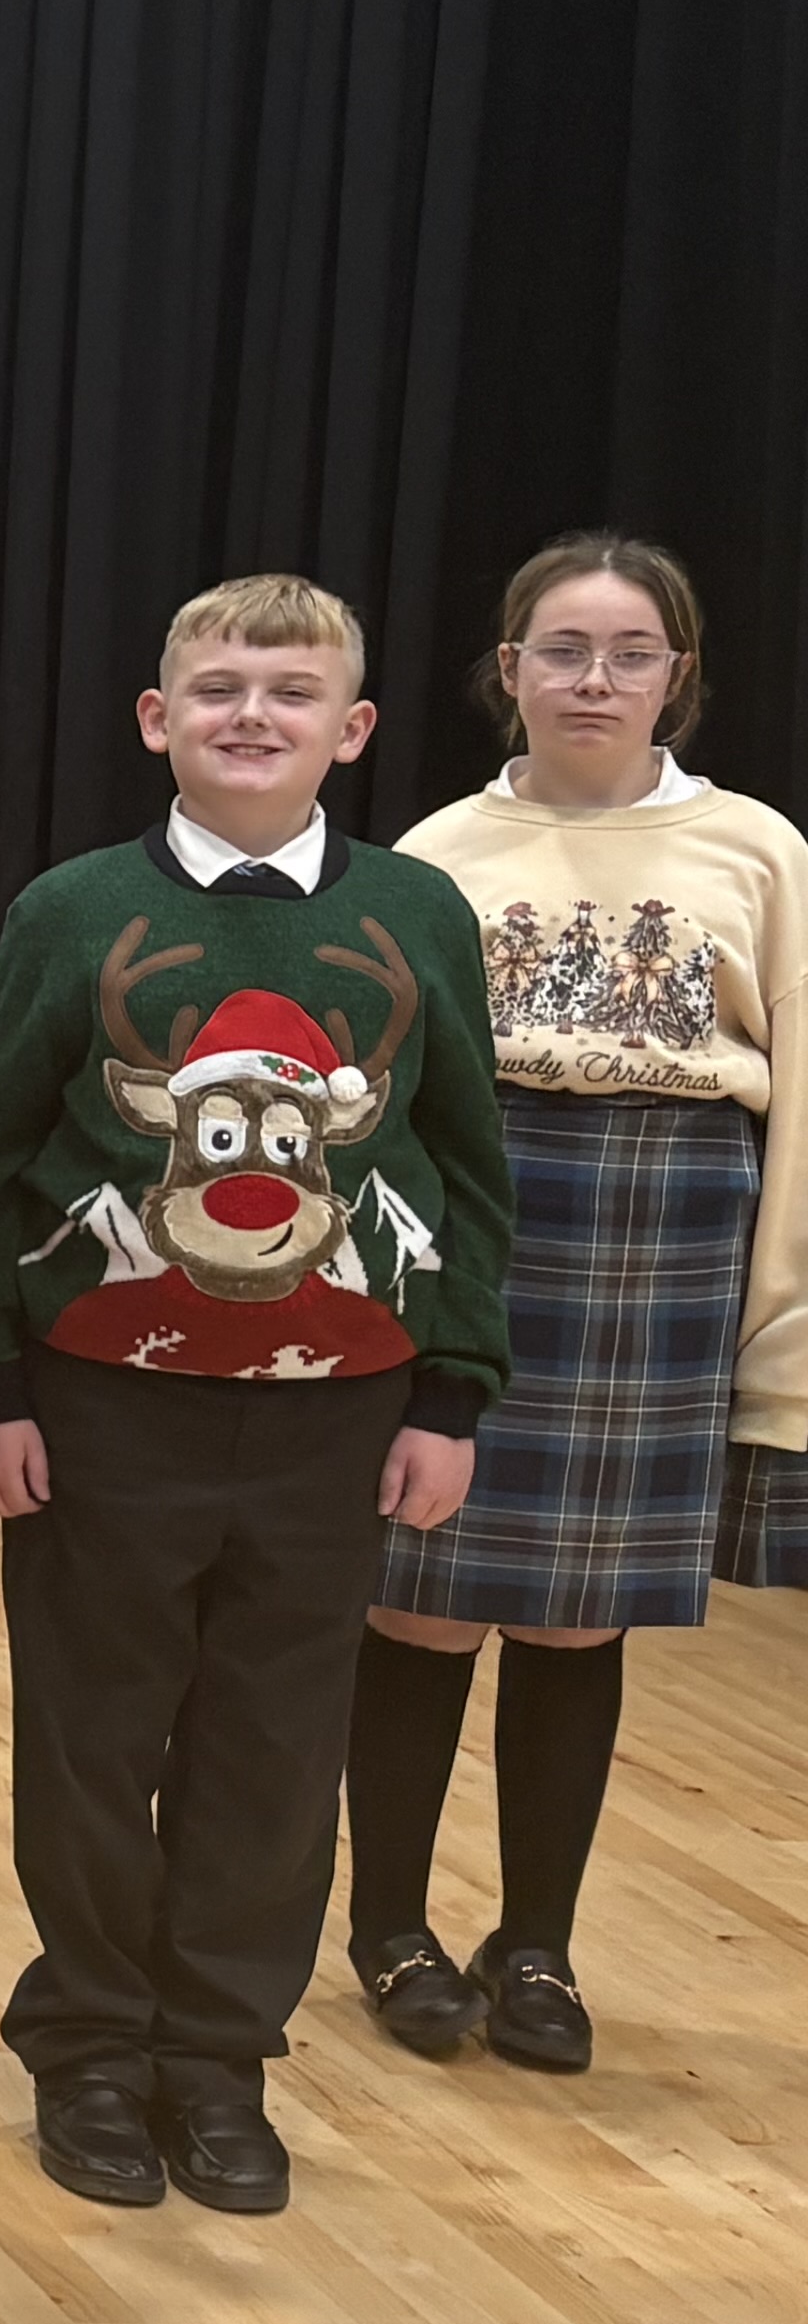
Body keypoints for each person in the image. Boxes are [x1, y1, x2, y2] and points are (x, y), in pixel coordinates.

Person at [0, 577, 509, 2220]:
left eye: (289, 689)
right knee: (91, 1734)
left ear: (353, 727)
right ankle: (90, 2041)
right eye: (217, 686)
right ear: (156, 717)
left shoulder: (417, 914)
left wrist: (452, 1393)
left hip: (339, 1415)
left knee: (274, 1743)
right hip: (101, 1408)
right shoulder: (72, 911)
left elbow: (468, 1166)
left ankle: (215, 2053)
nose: (250, 714)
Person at [344, 534, 808, 2076]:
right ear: (510, 670)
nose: (594, 679)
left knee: (575, 1612)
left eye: (629, 653)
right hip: (477, 1221)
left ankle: (534, 1942)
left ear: (679, 675)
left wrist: (784, 1337)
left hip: (666, 1235)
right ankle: (391, 1929)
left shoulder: (760, 851)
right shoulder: (437, 852)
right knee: (419, 1595)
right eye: (563, 649)